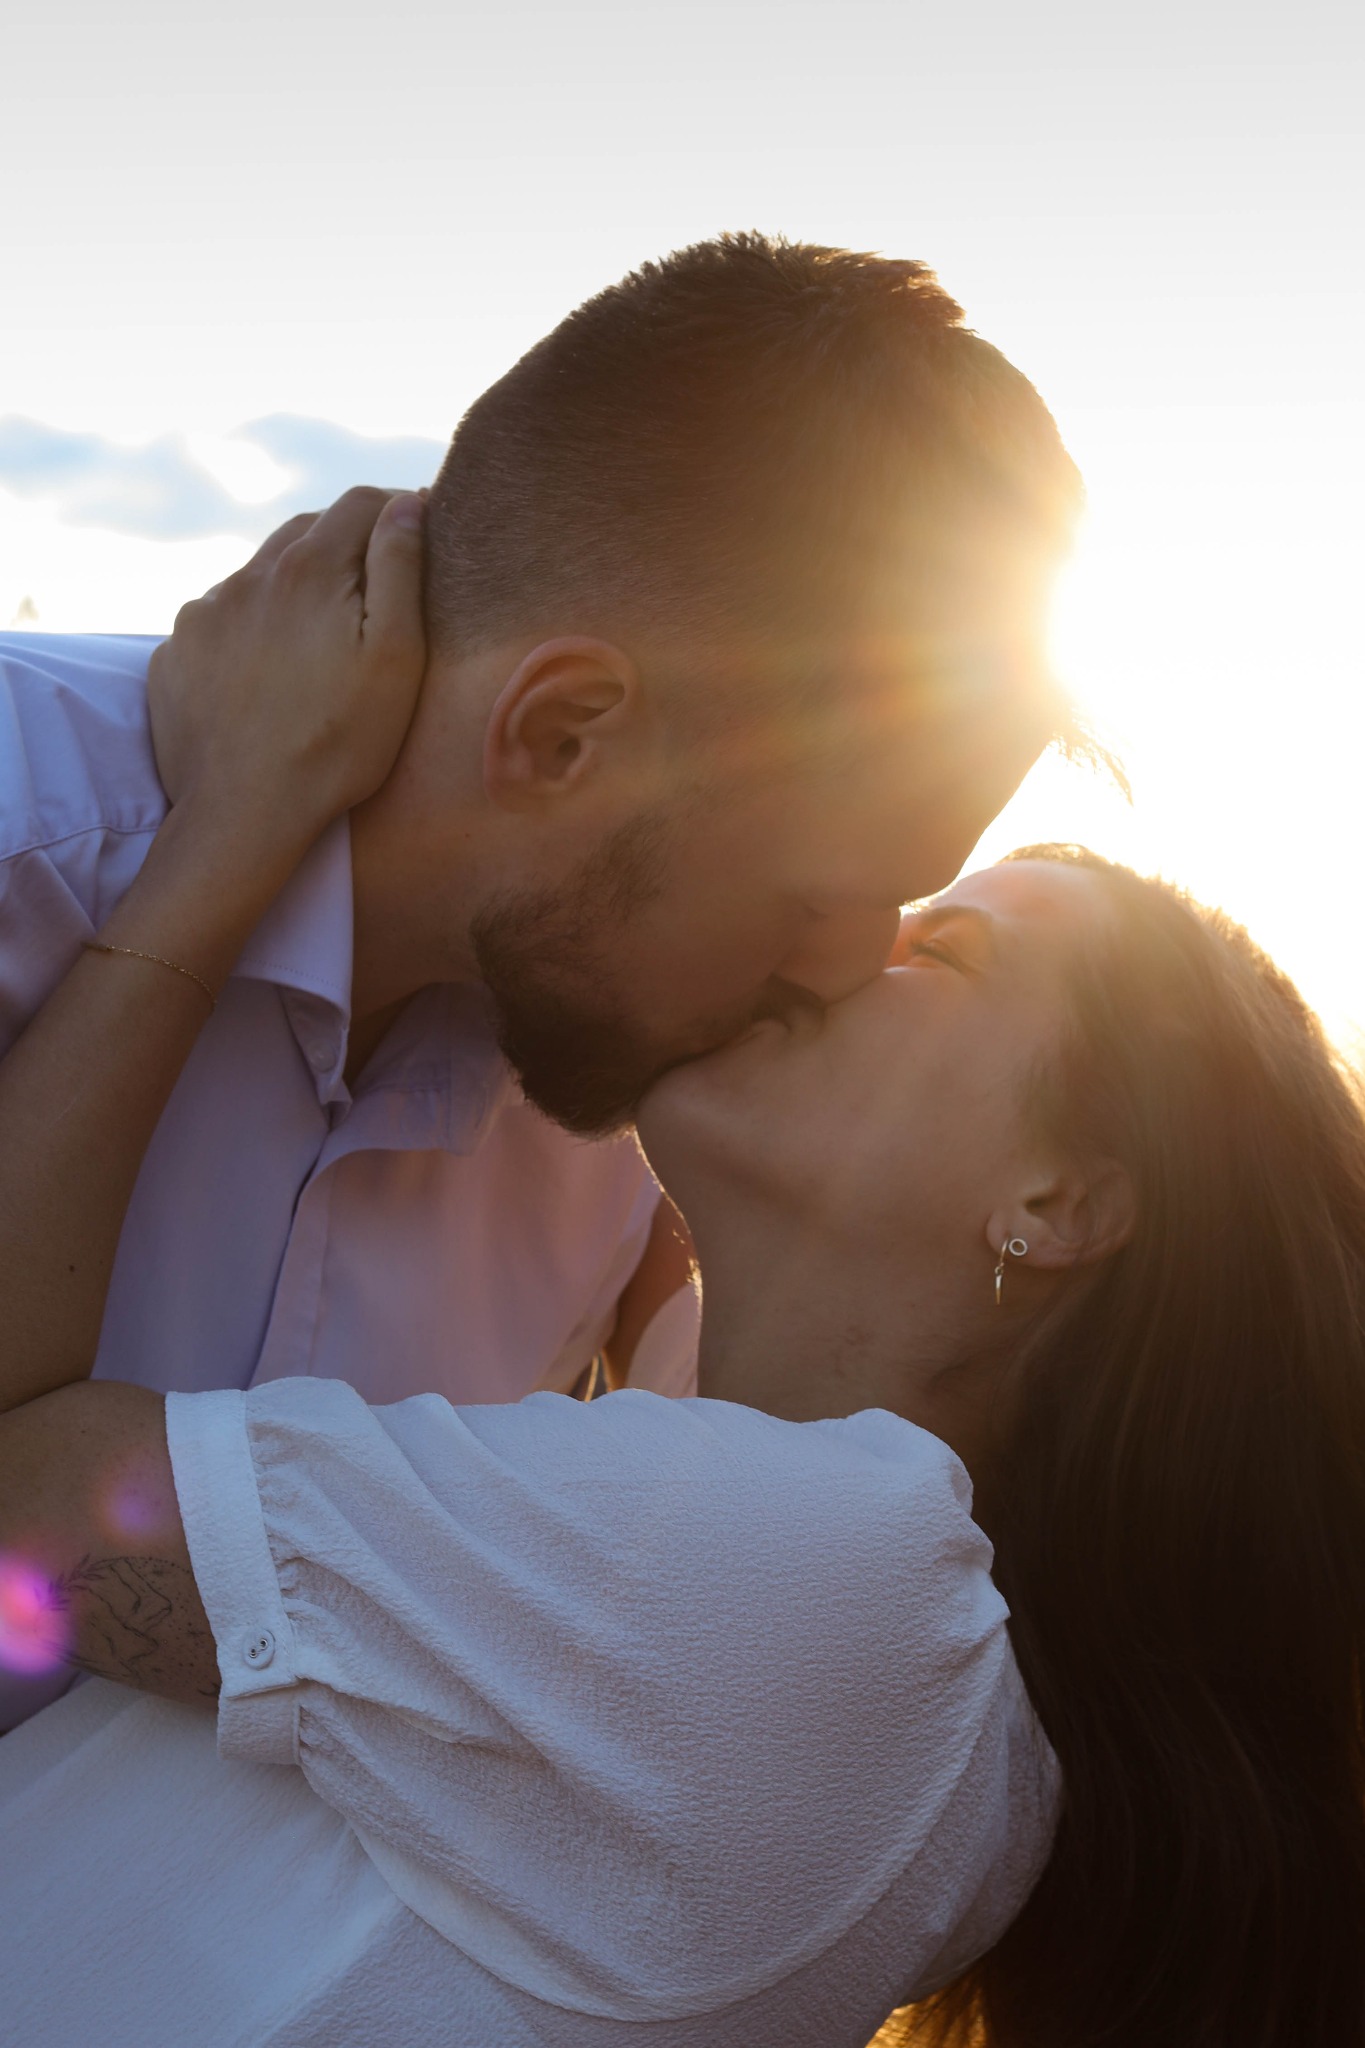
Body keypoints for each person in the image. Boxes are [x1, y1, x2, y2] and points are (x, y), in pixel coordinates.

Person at [1, 519, 1362, 2048]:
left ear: (1056, 1203)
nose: (841, 951)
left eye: (941, 950)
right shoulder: (883, 1649)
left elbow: (16, 1490)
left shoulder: (823, 1588)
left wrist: (241, 818)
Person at [0, 234, 1083, 1725]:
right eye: (823, 891)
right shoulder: (28, 838)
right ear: (561, 733)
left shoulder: (625, 1129)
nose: (852, 961)